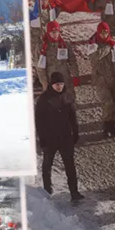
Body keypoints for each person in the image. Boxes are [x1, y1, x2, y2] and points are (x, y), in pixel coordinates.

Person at [36, 72, 82, 201]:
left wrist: (75, 132)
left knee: (70, 165)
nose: (59, 87)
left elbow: (72, 116)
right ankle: (47, 190)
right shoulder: (44, 99)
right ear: (52, 85)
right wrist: (42, 138)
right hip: (50, 138)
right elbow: (39, 121)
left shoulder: (67, 96)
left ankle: (74, 192)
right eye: (57, 84)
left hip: (65, 137)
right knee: (47, 165)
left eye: (61, 84)